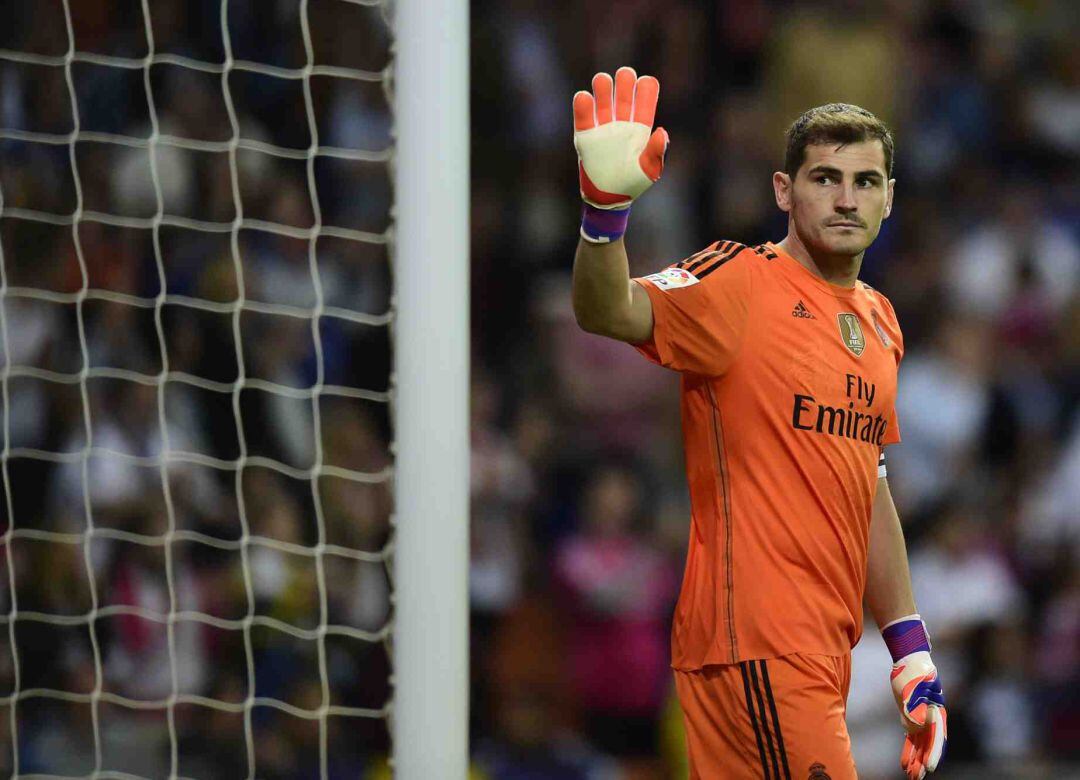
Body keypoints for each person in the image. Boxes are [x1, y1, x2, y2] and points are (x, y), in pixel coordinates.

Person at [569, 66, 947, 780]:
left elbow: (868, 486)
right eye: (824, 178)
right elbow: (606, 309)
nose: (846, 199)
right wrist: (604, 211)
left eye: (865, 182)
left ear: (889, 198)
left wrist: (910, 653)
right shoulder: (739, 281)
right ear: (783, 190)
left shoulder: (881, 322)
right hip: (755, 643)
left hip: (823, 652)